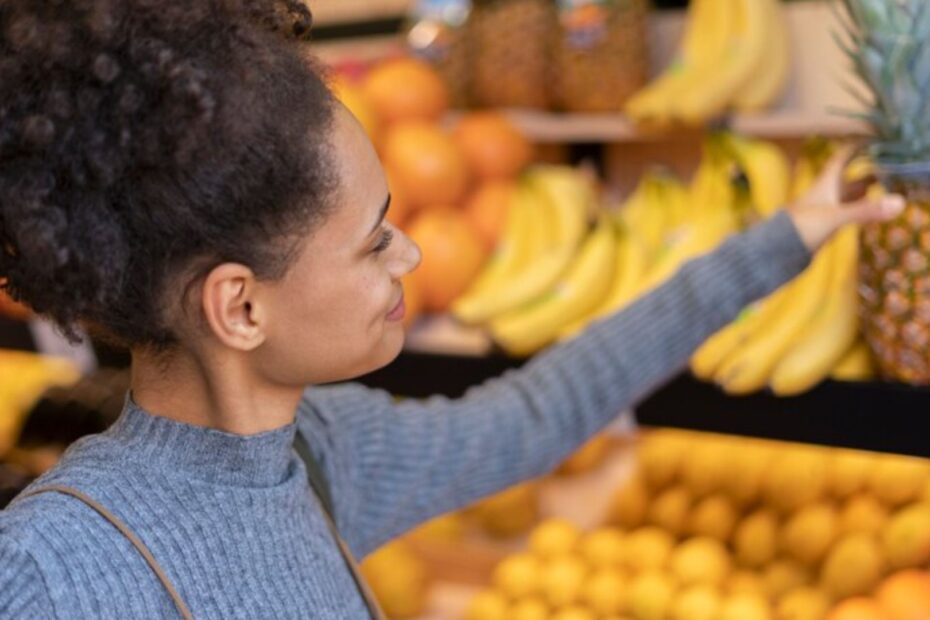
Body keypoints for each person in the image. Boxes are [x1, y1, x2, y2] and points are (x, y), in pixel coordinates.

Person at [0, 1, 903, 618]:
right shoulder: (51, 570)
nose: (414, 253)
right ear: (239, 307)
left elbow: (539, 412)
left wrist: (784, 238)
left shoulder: (318, 451)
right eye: (373, 240)